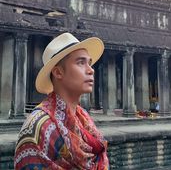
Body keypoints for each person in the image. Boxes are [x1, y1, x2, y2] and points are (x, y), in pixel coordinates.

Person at [14, 32, 109, 170]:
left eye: (89, 63)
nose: (91, 70)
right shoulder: (37, 128)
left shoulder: (83, 117)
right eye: (81, 62)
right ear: (58, 72)